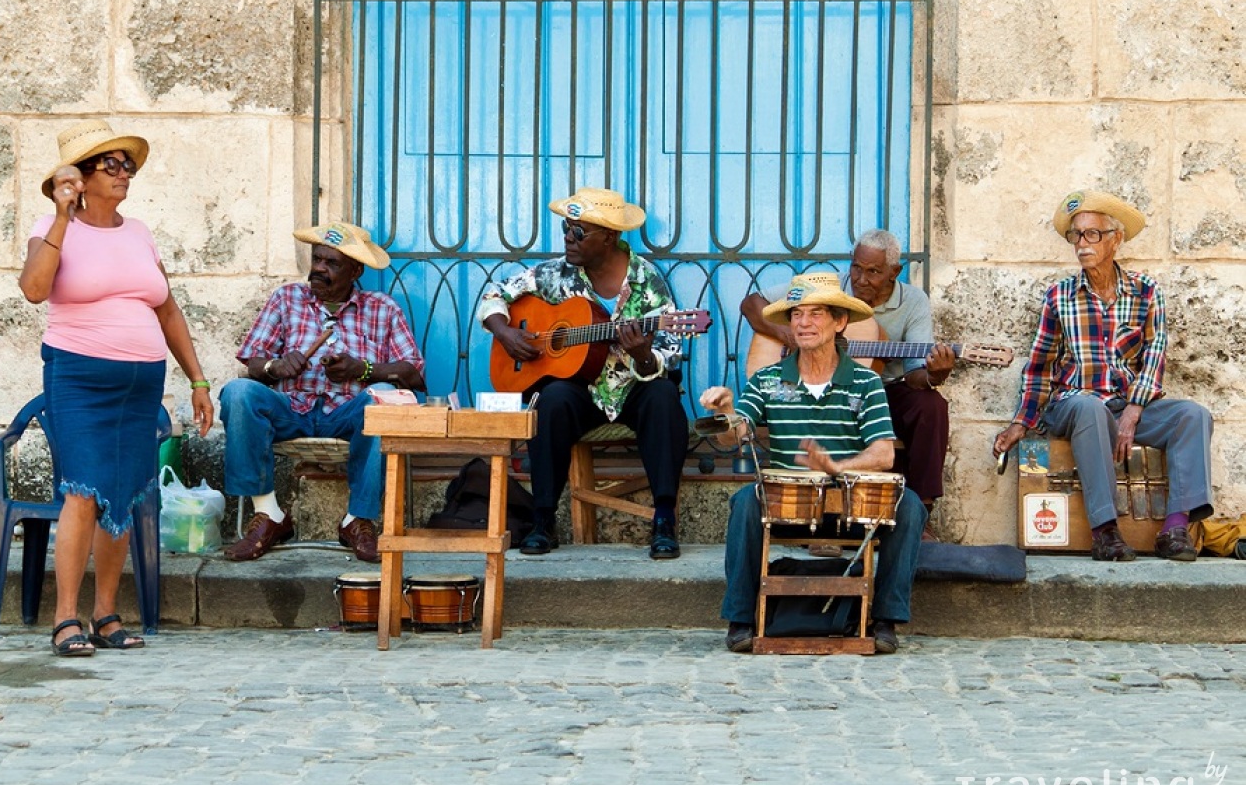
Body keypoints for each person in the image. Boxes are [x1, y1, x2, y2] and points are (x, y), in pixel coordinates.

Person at [19, 119, 214, 657]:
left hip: (141, 382)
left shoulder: (140, 232)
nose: (124, 172)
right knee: (83, 490)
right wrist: (61, 216)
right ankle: (65, 618)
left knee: (124, 496)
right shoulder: (51, 226)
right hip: (78, 376)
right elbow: (35, 290)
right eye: (110, 164)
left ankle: (106, 613)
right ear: (77, 177)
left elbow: (167, 309)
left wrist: (197, 379)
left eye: (127, 164)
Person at [703, 273, 925, 654]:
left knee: (910, 507)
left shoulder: (865, 383)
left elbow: (884, 454)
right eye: (796, 315)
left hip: (854, 501)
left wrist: (839, 467)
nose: (803, 324)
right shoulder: (768, 380)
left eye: (816, 313)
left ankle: (885, 620)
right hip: (787, 500)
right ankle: (740, 618)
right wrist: (725, 411)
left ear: (839, 322)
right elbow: (734, 435)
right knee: (743, 503)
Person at [993, 190, 1214, 562]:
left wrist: (1135, 409)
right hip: (1073, 406)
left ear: (1116, 238)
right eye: (1076, 235)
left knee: (1193, 416)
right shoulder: (1059, 296)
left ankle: (1174, 529)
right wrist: (1020, 423)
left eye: (1092, 234)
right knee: (1089, 408)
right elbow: (1040, 366)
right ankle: (1105, 531)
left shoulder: (1146, 292)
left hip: (1128, 405)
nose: (1082, 244)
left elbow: (1155, 355)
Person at [478, 187, 689, 559]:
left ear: (608, 237)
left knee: (664, 397)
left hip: (630, 388)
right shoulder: (553, 274)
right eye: (566, 228)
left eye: (578, 232)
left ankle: (664, 519)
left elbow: (670, 352)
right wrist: (505, 332)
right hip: (582, 391)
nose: (567, 239)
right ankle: (543, 519)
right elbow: (494, 293)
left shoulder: (647, 280)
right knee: (552, 400)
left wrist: (642, 356)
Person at [219, 222, 426, 563]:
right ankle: (269, 514)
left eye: (332, 264)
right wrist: (275, 367)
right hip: (292, 409)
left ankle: (357, 519)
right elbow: (252, 360)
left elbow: (414, 375)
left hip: (347, 415)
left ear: (356, 270)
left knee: (382, 397)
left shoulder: (382, 308)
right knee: (239, 392)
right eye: (317, 259)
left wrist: (364, 370)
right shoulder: (288, 299)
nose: (319, 269)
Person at [741, 230, 956, 538]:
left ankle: (920, 513)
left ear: (895, 272)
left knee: (931, 405)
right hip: (825, 388)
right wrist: (786, 335)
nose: (861, 278)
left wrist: (935, 374)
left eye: (873, 272)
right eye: (857, 267)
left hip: (883, 388)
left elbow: (914, 374)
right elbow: (752, 303)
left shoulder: (913, 302)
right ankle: (816, 516)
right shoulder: (828, 288)